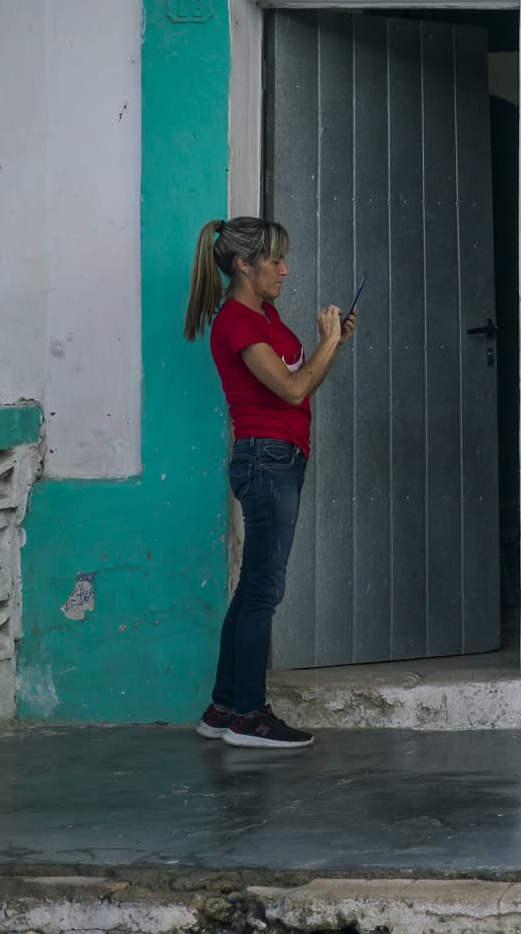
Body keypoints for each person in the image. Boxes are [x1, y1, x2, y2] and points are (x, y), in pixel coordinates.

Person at [182, 216, 355, 749]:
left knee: (252, 590)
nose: (285, 270)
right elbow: (293, 389)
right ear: (243, 264)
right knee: (262, 592)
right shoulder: (237, 322)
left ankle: (223, 708)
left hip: (278, 457)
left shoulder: (265, 314)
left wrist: (332, 344)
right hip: (265, 460)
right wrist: (327, 341)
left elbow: (302, 381)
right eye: (275, 261)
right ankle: (249, 718)